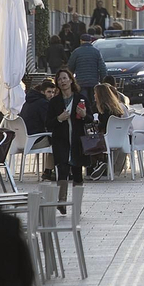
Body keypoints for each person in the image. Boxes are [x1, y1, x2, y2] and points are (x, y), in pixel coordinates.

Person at [47, 70, 89, 211]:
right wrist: (59, 119)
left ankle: (77, 204)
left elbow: (91, 118)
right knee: (62, 168)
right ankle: (62, 201)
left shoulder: (80, 98)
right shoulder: (54, 102)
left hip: (77, 140)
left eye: (65, 78)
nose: (62, 81)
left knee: (77, 171)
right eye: (59, 79)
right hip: (61, 140)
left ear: (71, 80)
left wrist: (84, 115)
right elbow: (48, 123)